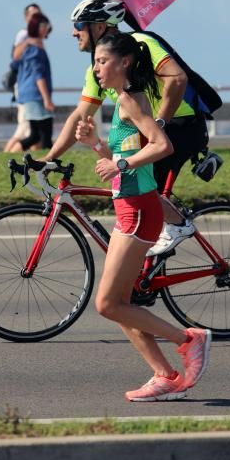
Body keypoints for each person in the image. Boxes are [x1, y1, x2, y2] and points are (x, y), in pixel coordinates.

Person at [75, 32, 211, 401]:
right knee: (120, 305)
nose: (96, 68)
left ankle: (188, 340)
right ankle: (164, 375)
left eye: (102, 62)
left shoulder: (131, 102)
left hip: (138, 213)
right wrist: (96, 147)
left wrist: (119, 161)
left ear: (124, 63)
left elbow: (161, 145)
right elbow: (128, 157)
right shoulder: (122, 102)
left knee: (108, 304)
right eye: (96, 62)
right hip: (131, 210)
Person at [43, 0, 210, 256]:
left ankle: (177, 226)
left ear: (99, 27)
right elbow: (80, 115)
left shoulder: (141, 44)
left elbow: (177, 79)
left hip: (179, 127)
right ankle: (139, 275)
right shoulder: (96, 71)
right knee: (130, 189)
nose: (73, 32)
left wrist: (158, 125)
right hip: (152, 132)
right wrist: (50, 157)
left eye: (80, 24)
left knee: (139, 187)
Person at [10, 12, 55, 153]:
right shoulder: (35, 50)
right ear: (37, 27)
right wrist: (47, 99)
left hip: (29, 95)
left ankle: (11, 155)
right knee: (42, 136)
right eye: (44, 25)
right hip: (35, 96)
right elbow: (38, 76)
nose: (47, 27)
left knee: (35, 136)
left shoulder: (30, 48)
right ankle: (49, 161)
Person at [4, 3, 42, 153]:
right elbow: (15, 56)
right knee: (24, 130)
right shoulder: (24, 35)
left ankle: (36, 160)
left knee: (34, 131)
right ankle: (6, 156)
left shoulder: (36, 36)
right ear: (26, 17)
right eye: (33, 15)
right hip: (27, 88)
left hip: (33, 88)